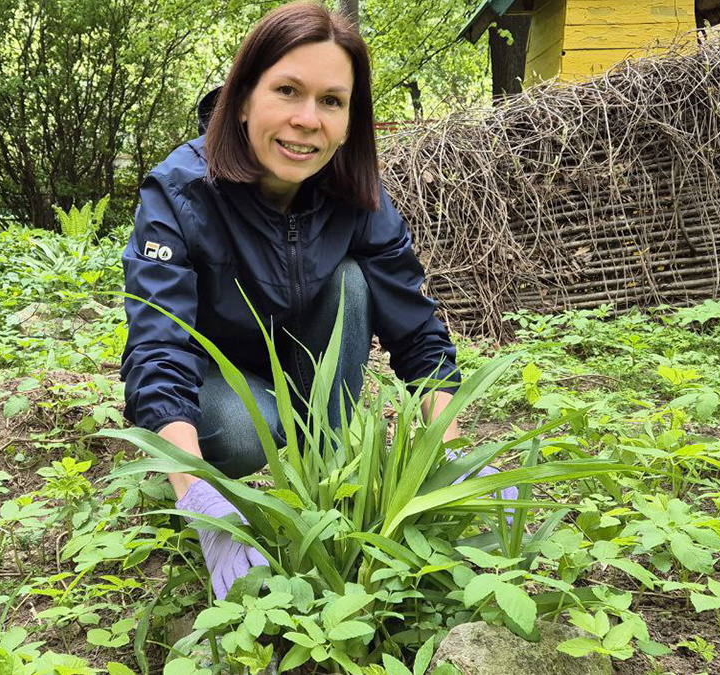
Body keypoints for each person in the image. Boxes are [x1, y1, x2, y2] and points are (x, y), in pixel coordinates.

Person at [121, 1, 497, 599]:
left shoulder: (357, 193)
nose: (306, 120)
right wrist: (194, 493)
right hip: (215, 381)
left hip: (306, 371)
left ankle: (325, 478)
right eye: (287, 90)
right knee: (250, 431)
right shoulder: (179, 192)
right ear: (242, 98)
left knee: (351, 279)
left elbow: (414, 326)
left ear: (351, 119)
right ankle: (190, 473)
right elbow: (157, 343)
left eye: (331, 101)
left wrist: (450, 452)